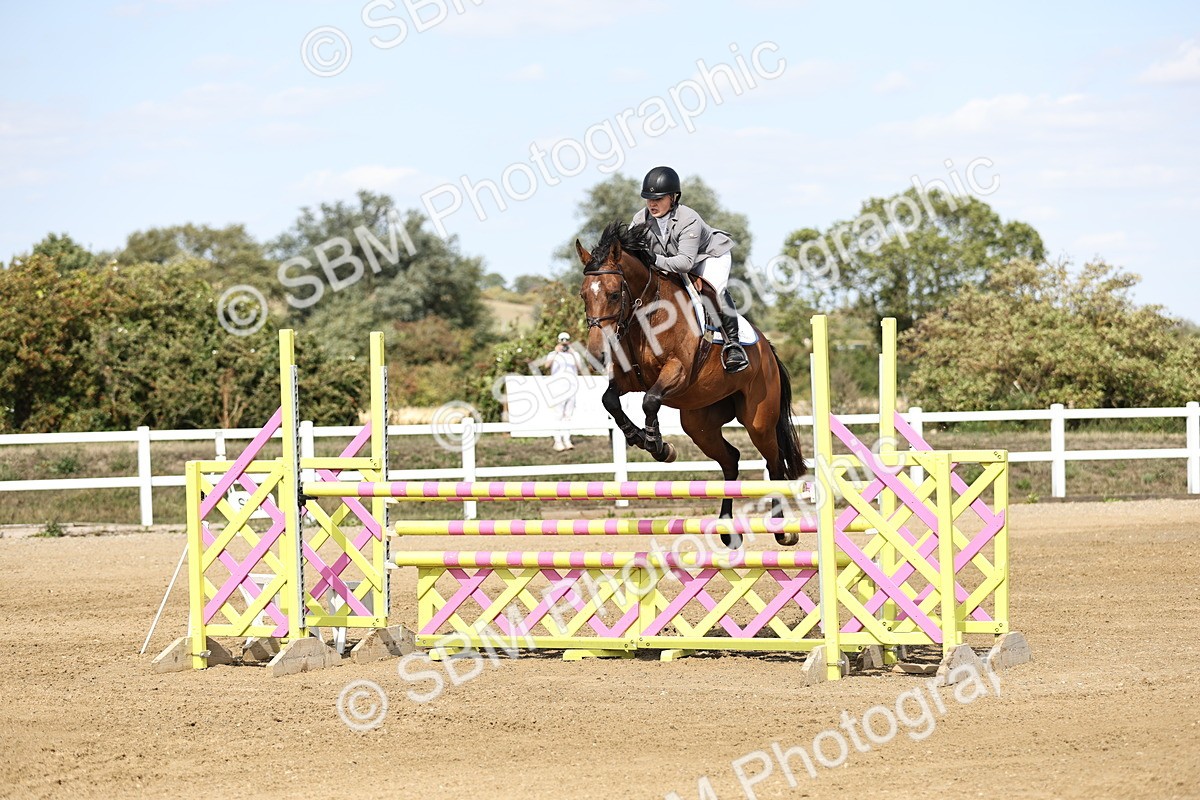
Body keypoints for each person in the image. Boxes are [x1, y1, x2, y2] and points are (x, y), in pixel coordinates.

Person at [630, 165, 748, 373]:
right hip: (674, 260)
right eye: (649, 198)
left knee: (716, 289)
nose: (652, 203)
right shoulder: (641, 219)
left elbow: (685, 263)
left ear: (673, 198)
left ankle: (734, 345)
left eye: (658, 198)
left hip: (709, 257)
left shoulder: (688, 218)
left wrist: (653, 259)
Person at [543, 331, 585, 451]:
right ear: (558, 341)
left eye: (566, 340)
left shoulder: (574, 354)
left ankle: (567, 440)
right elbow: (546, 365)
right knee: (558, 415)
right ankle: (557, 441)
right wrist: (556, 352)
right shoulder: (553, 354)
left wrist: (572, 353)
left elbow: (581, 368)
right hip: (557, 389)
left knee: (568, 415)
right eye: (562, 340)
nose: (564, 343)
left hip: (571, 389)